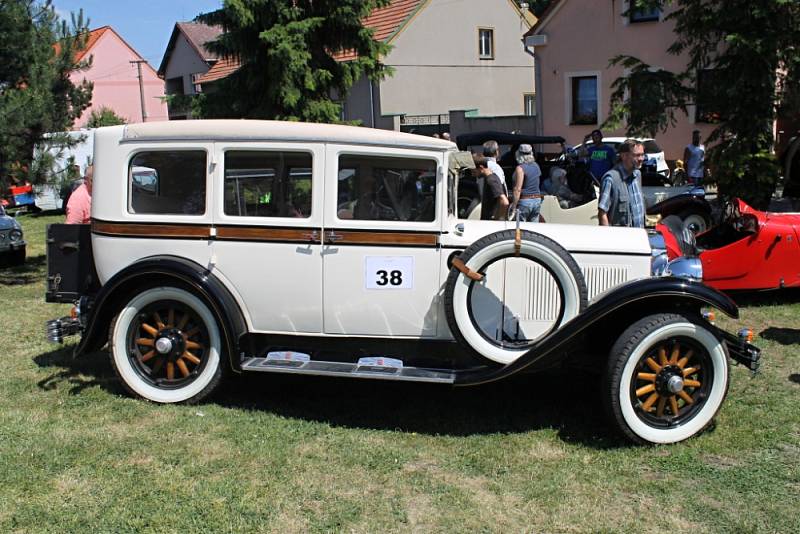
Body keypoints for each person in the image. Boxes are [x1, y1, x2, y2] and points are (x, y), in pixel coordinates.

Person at [597, 139, 645, 228]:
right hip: (621, 238)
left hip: (638, 236)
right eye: (636, 155)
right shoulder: (611, 179)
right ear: (624, 156)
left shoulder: (637, 175)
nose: (641, 159)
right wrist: (607, 237)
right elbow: (602, 213)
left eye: (642, 155)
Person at [510, 144, 542, 222]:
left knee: (521, 229)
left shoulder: (520, 168)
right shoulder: (536, 166)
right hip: (537, 200)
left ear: (518, 154)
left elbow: (517, 189)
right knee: (534, 231)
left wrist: (513, 207)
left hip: (525, 201)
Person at [474, 155, 509, 220]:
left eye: (473, 171)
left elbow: (504, 201)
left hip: (491, 222)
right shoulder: (490, 178)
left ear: (481, 167)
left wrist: (499, 219)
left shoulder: (491, 180)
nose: (472, 174)